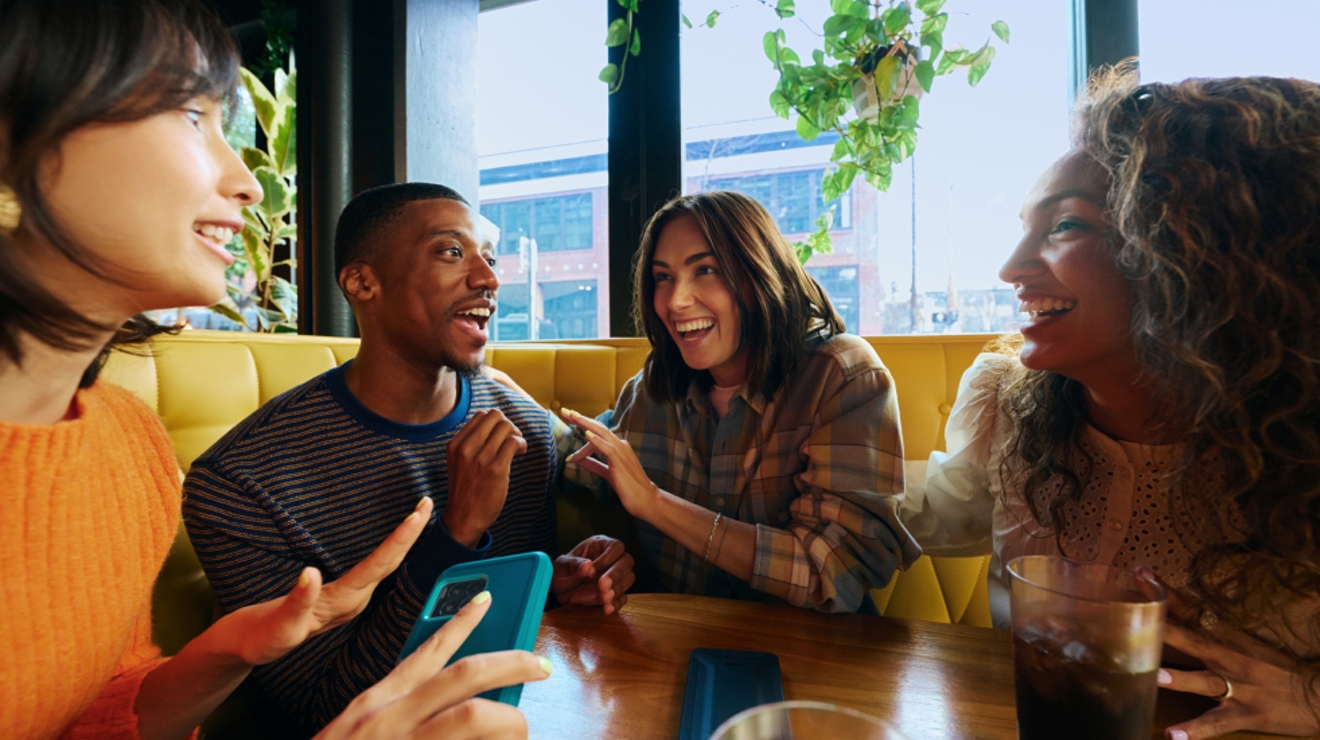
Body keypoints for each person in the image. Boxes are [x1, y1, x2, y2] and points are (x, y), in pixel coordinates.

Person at [0, 1, 549, 738]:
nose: (249, 182)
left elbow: (100, 716)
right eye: (192, 117)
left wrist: (230, 649)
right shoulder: (242, 477)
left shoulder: (127, 443)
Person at [900, 64, 1320, 739]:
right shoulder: (1007, 404)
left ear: (1200, 251)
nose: (1011, 266)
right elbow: (934, 515)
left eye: (1065, 225)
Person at [182, 182, 635, 734]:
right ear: (362, 281)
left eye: (489, 259)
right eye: (451, 252)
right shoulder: (240, 482)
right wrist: (457, 532)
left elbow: (504, 632)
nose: (489, 279)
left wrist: (555, 589)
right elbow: (322, 711)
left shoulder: (526, 428)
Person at [555, 191, 920, 614]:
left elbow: (830, 574)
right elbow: (579, 457)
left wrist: (654, 503)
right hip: (676, 648)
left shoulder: (841, 376)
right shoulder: (654, 389)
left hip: (814, 658)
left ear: (760, 272)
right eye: (663, 277)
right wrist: (486, 379)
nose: (675, 301)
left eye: (705, 269)